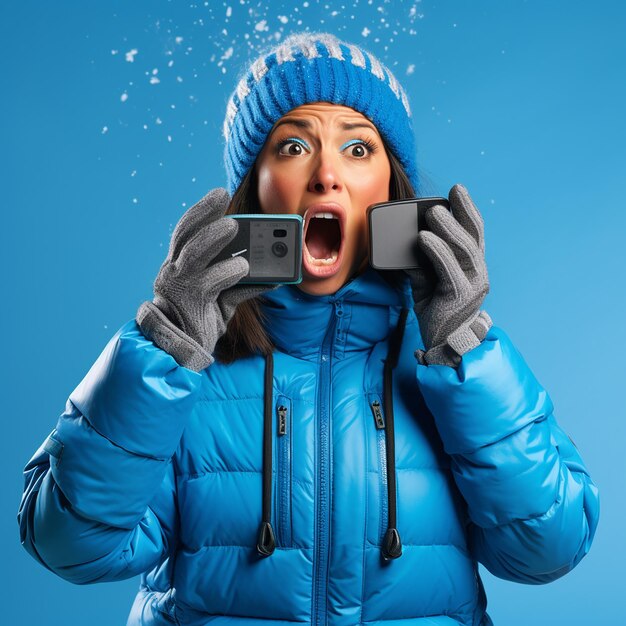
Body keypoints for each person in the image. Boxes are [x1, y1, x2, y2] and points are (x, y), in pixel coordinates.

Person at [18, 32, 599, 626]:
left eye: (358, 149)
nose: (326, 175)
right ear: (254, 190)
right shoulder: (182, 370)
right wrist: (163, 349)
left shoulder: (445, 366)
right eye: (293, 147)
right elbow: (72, 546)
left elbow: (546, 550)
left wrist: (464, 351)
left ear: (392, 188)